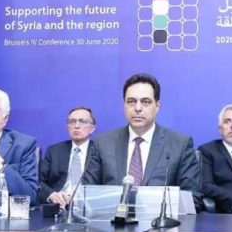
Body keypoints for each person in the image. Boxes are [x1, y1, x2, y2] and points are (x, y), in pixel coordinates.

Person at [81, 73, 201, 209]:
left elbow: (191, 200)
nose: (137, 108)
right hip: (111, 220)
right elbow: (86, 195)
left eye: (145, 102)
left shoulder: (179, 144)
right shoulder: (103, 143)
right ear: (124, 105)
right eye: (131, 101)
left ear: (157, 106)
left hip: (159, 222)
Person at [39, 106, 96, 206]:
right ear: (67, 127)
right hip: (58, 205)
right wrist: (52, 195)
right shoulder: (54, 151)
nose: (76, 126)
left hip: (88, 205)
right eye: (72, 122)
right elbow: (38, 181)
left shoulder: (99, 151)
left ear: (92, 128)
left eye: (82, 121)